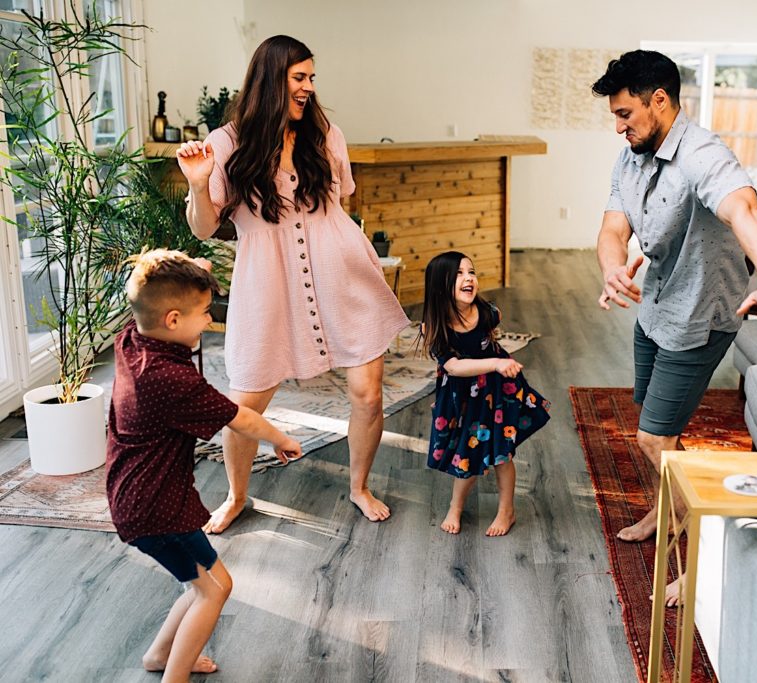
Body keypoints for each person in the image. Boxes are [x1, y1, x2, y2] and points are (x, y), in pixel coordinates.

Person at [591, 50, 757, 605]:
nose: (619, 126)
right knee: (658, 428)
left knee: (653, 436)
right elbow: (612, 229)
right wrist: (613, 268)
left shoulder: (704, 154)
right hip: (656, 307)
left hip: (701, 316)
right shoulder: (631, 157)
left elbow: (746, 213)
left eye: (625, 114)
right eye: (614, 115)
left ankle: (709, 547)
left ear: (659, 100)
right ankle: (671, 514)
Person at [176, 35, 409, 531]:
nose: (308, 87)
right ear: (271, 79)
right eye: (298, 78)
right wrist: (199, 183)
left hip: (343, 272)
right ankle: (237, 496)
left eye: (311, 78)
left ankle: (359, 486)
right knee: (244, 404)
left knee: (367, 393)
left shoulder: (326, 134)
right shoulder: (225, 143)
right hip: (267, 281)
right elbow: (202, 226)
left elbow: (340, 200)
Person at [106, 250, 302, 682]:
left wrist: (192, 270)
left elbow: (149, 291)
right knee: (216, 589)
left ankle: (160, 657)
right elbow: (240, 417)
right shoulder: (171, 380)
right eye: (204, 314)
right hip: (157, 508)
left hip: (136, 497)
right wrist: (281, 438)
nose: (210, 322)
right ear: (173, 320)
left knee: (198, 585)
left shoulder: (132, 340)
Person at [421, 251, 552, 536]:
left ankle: (507, 511)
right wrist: (495, 362)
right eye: (458, 274)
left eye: (471, 272)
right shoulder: (434, 326)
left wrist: (497, 359)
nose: (468, 278)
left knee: (501, 454)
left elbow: (493, 327)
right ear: (439, 286)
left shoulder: (487, 312)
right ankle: (456, 506)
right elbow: (453, 367)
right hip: (462, 397)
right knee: (465, 455)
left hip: (494, 393)